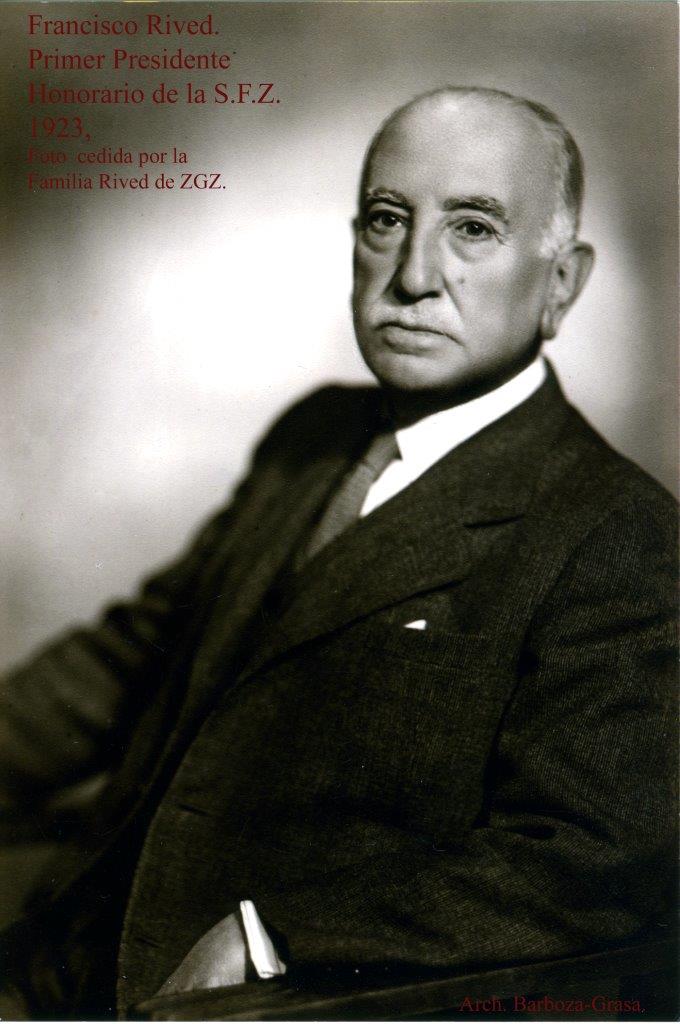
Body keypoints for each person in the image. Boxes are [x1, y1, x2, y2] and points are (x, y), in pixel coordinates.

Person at [0, 86, 676, 1019]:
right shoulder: (313, 438)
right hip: (80, 921)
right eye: (388, 220)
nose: (413, 275)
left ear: (562, 283)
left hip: (267, 998)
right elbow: (130, 659)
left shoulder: (617, 531)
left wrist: (277, 936)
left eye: (473, 228)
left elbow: (586, 862)